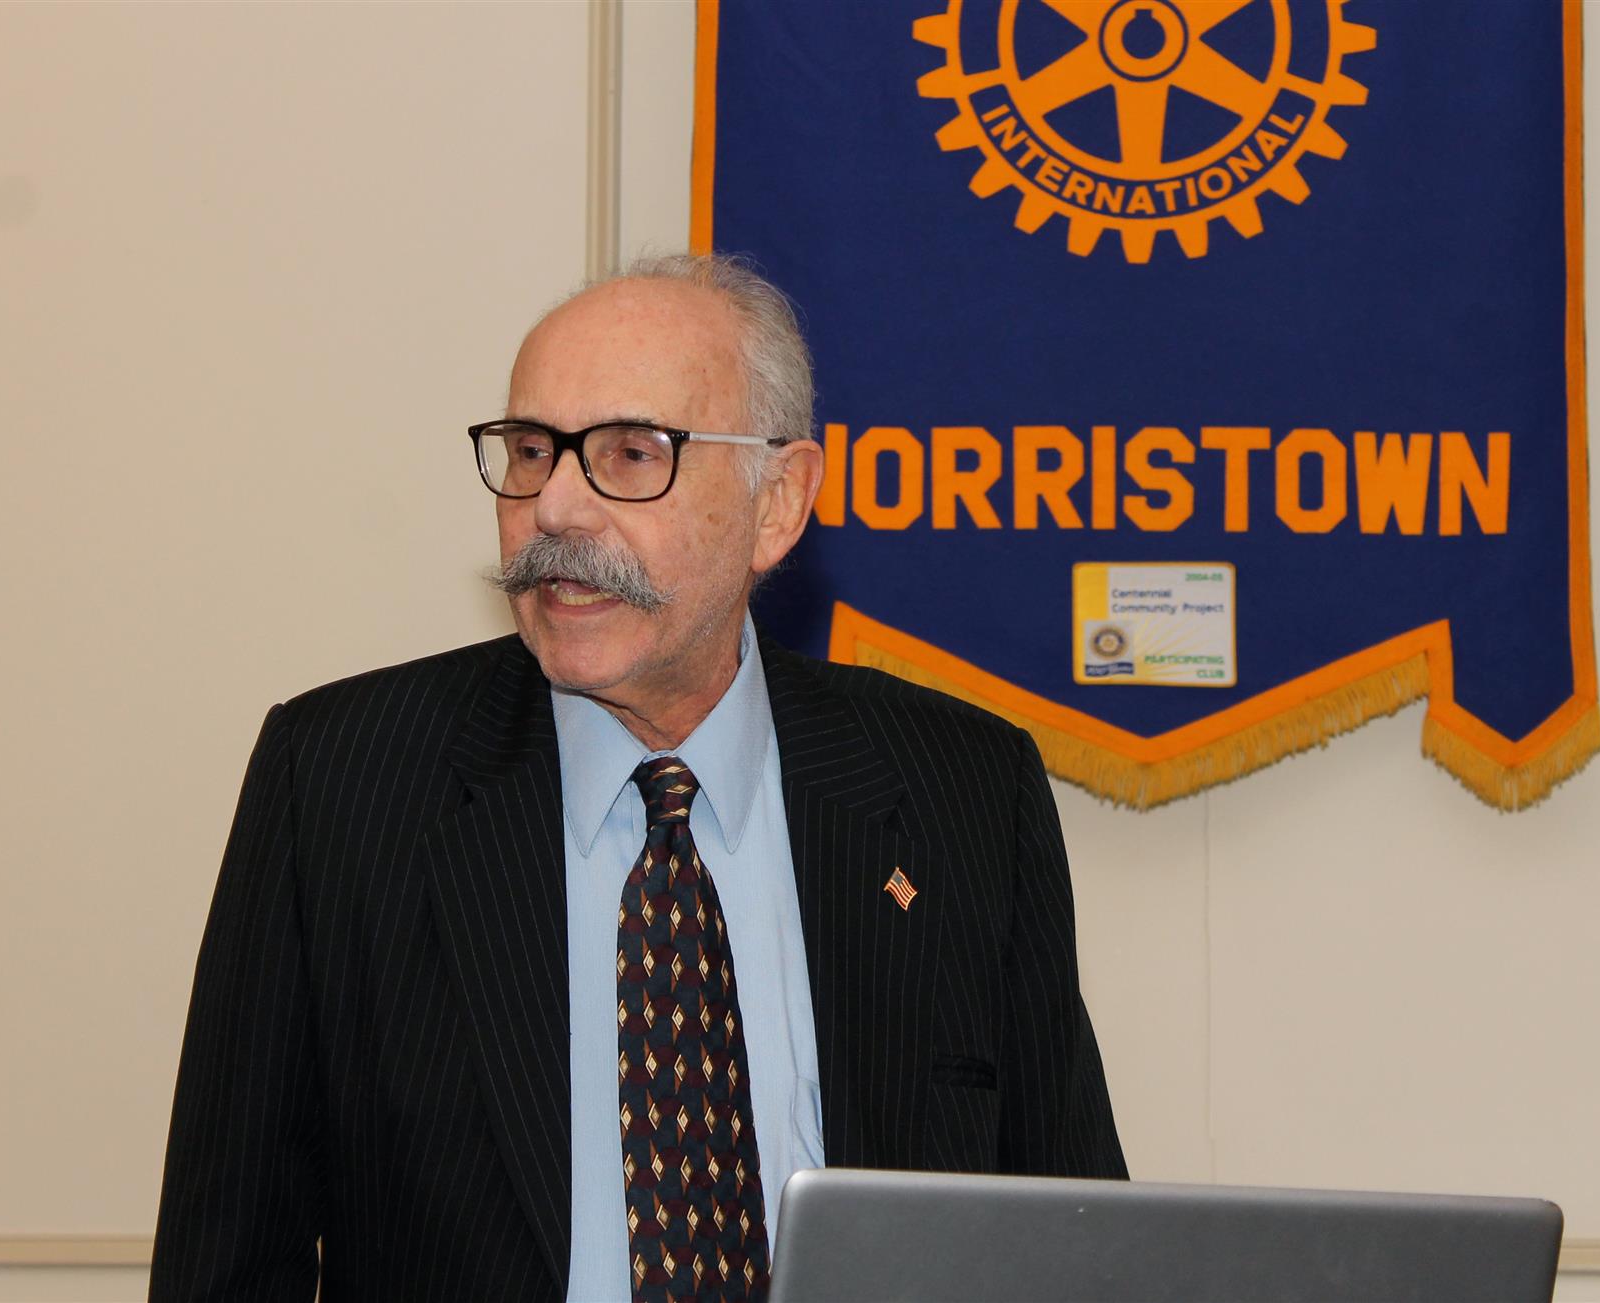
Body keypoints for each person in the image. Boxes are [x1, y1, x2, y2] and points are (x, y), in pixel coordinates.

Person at [150, 254, 1125, 1303]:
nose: (555, 508)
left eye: (629, 454)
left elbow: (1078, 1247)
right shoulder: (341, 783)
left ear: (778, 501)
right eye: (531, 452)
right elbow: (227, 1265)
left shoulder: (962, 791)